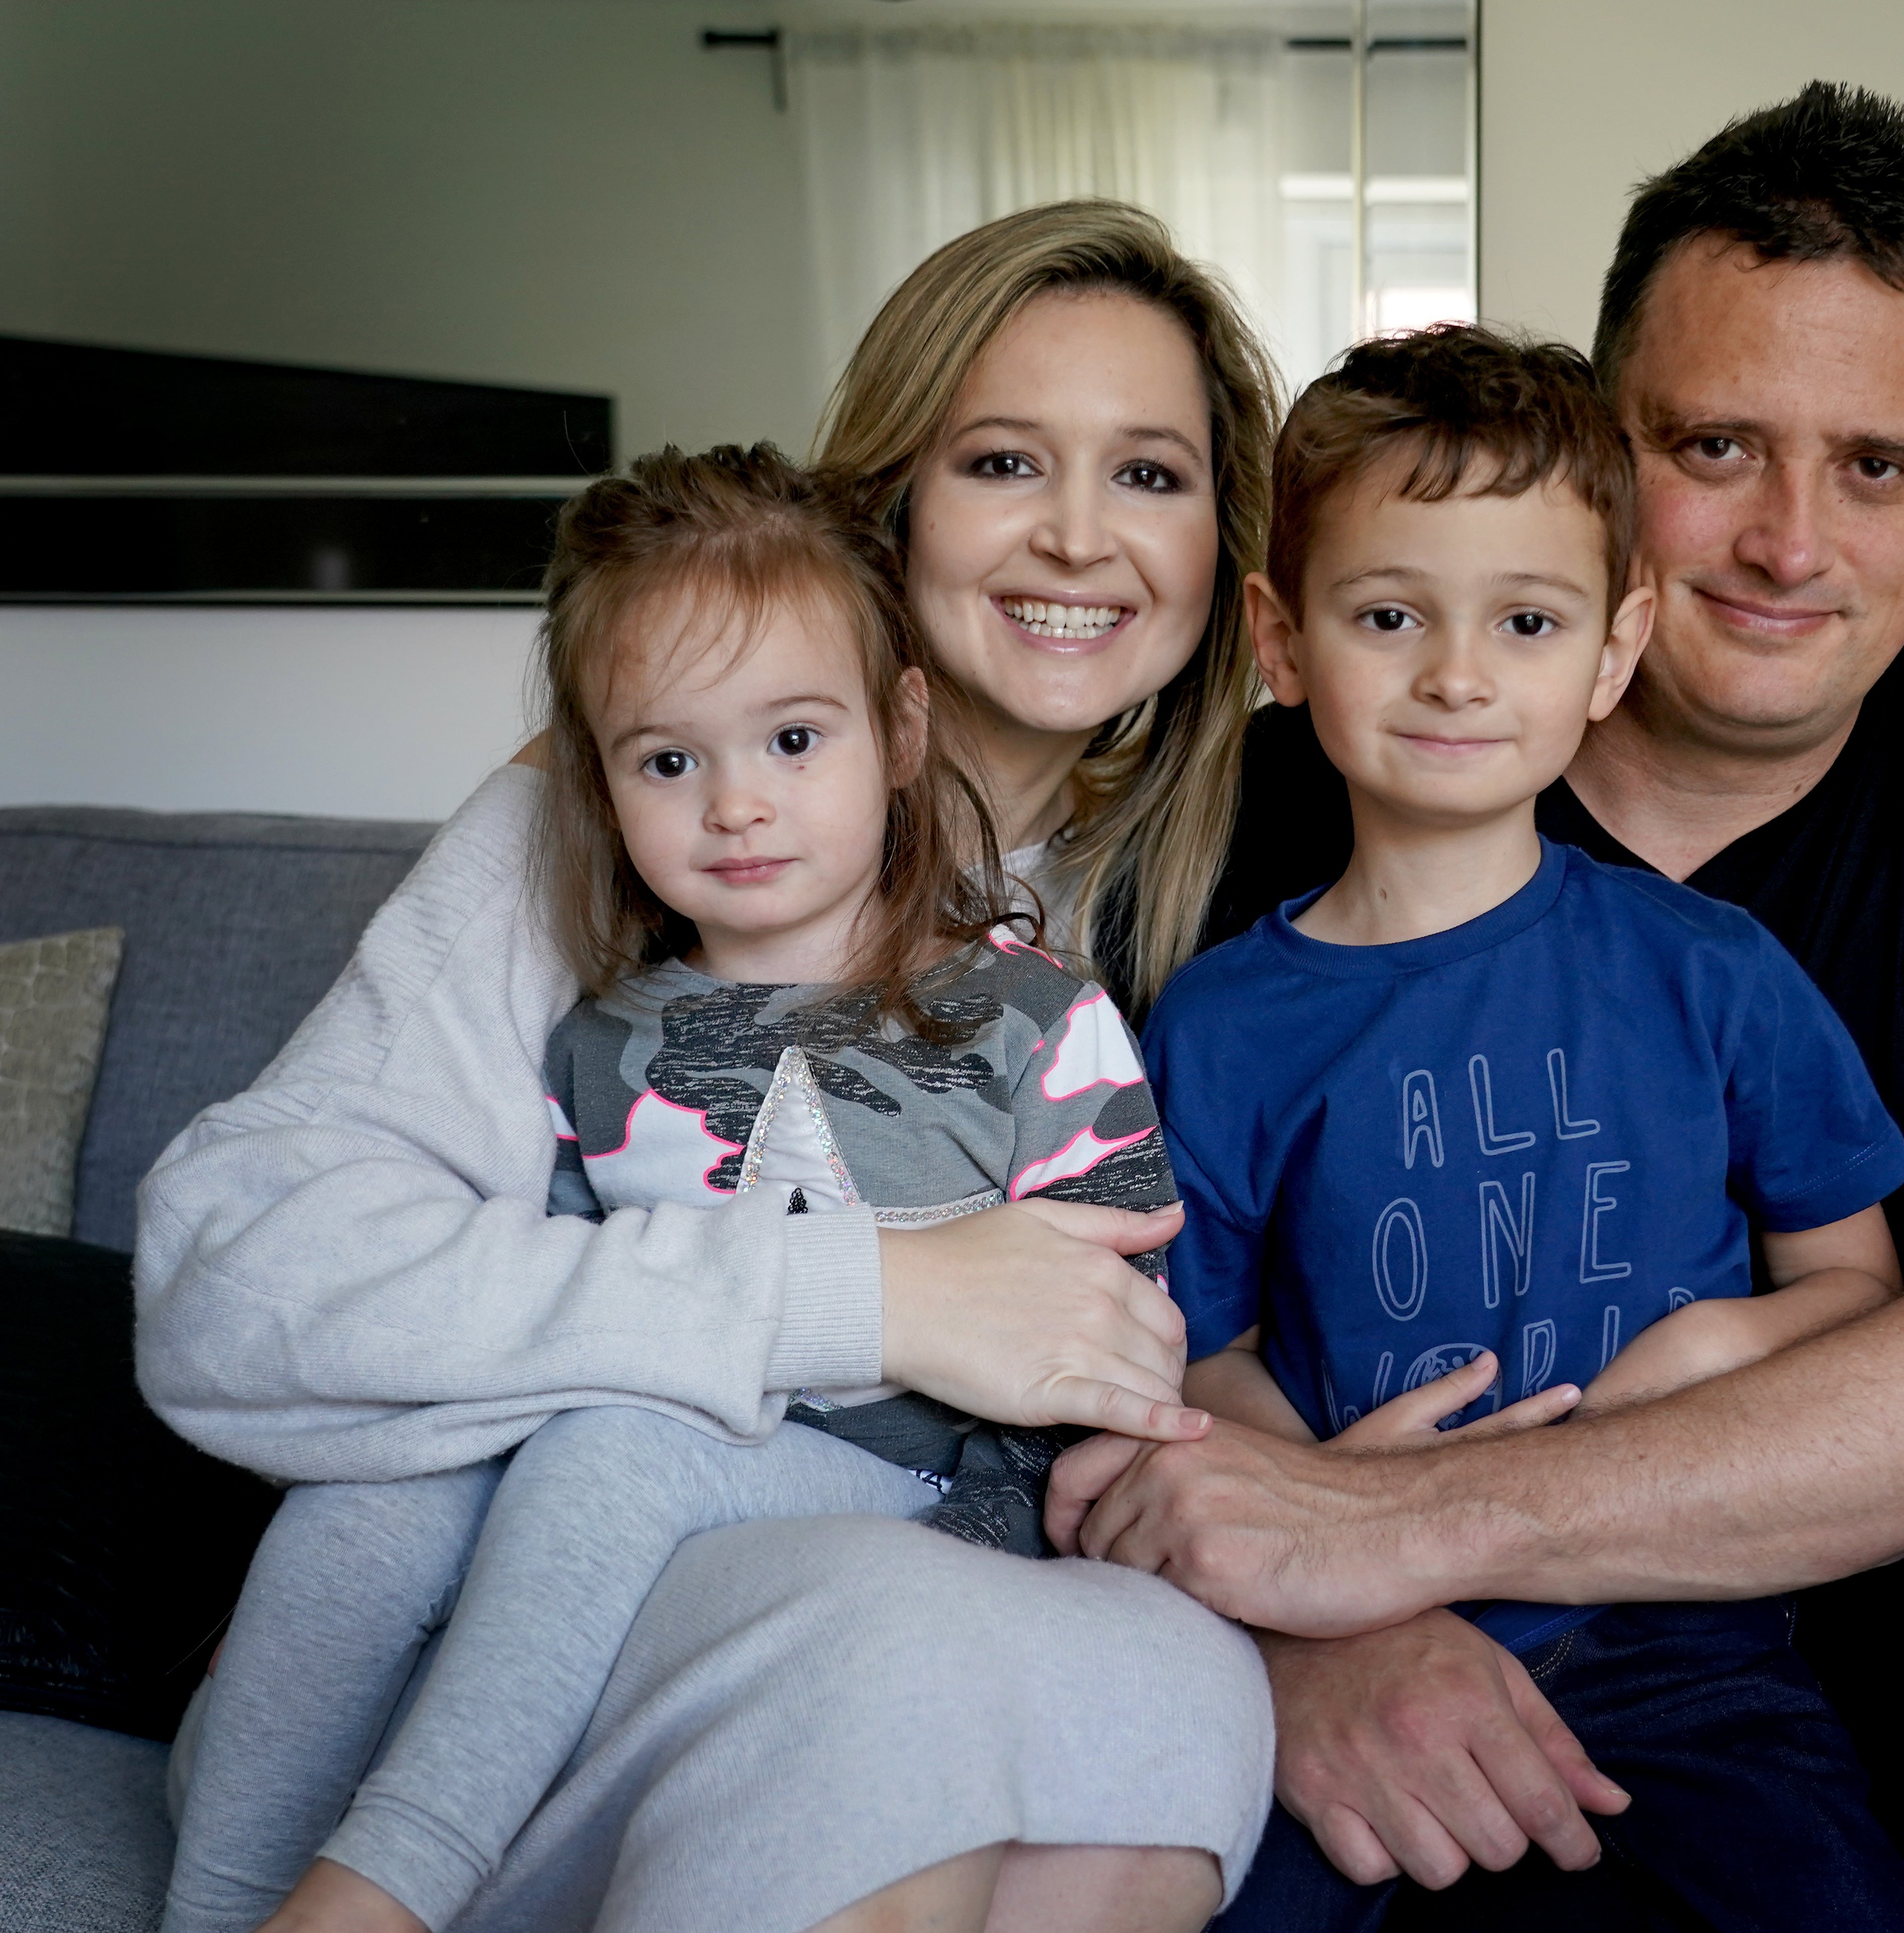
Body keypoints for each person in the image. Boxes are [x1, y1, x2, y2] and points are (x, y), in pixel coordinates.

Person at [1059, 86, 1904, 1932]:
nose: (1790, 542)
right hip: (1463, 1630)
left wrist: (1405, 1536)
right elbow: (1114, 1326)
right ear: (1600, 455)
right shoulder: (1296, 795)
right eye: (1716, 446)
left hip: (1883, 1565)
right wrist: (1292, 1639)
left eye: (1877, 465)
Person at [140, 202, 1280, 1933]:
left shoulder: (1227, 885)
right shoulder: (613, 827)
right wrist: (861, 1296)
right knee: (845, 1653)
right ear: (890, 500)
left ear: (1224, 547)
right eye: (1001, 461)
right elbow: (230, 1281)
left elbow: (1186, 1338)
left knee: (1148, 1714)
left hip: (948, 1539)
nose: (1076, 537)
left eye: (1150, 475)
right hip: (623, 1574)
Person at [1108, 323, 1904, 1931]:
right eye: (1392, 614)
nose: (1459, 674)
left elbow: (1865, 1286)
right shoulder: (1215, 1023)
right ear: (1282, 638)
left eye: (1528, 620)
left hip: (1686, 1651)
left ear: (1614, 649)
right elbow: (1184, 1354)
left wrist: (1715, 1349)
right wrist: (1318, 1502)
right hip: (1349, 1645)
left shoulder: (1711, 971)